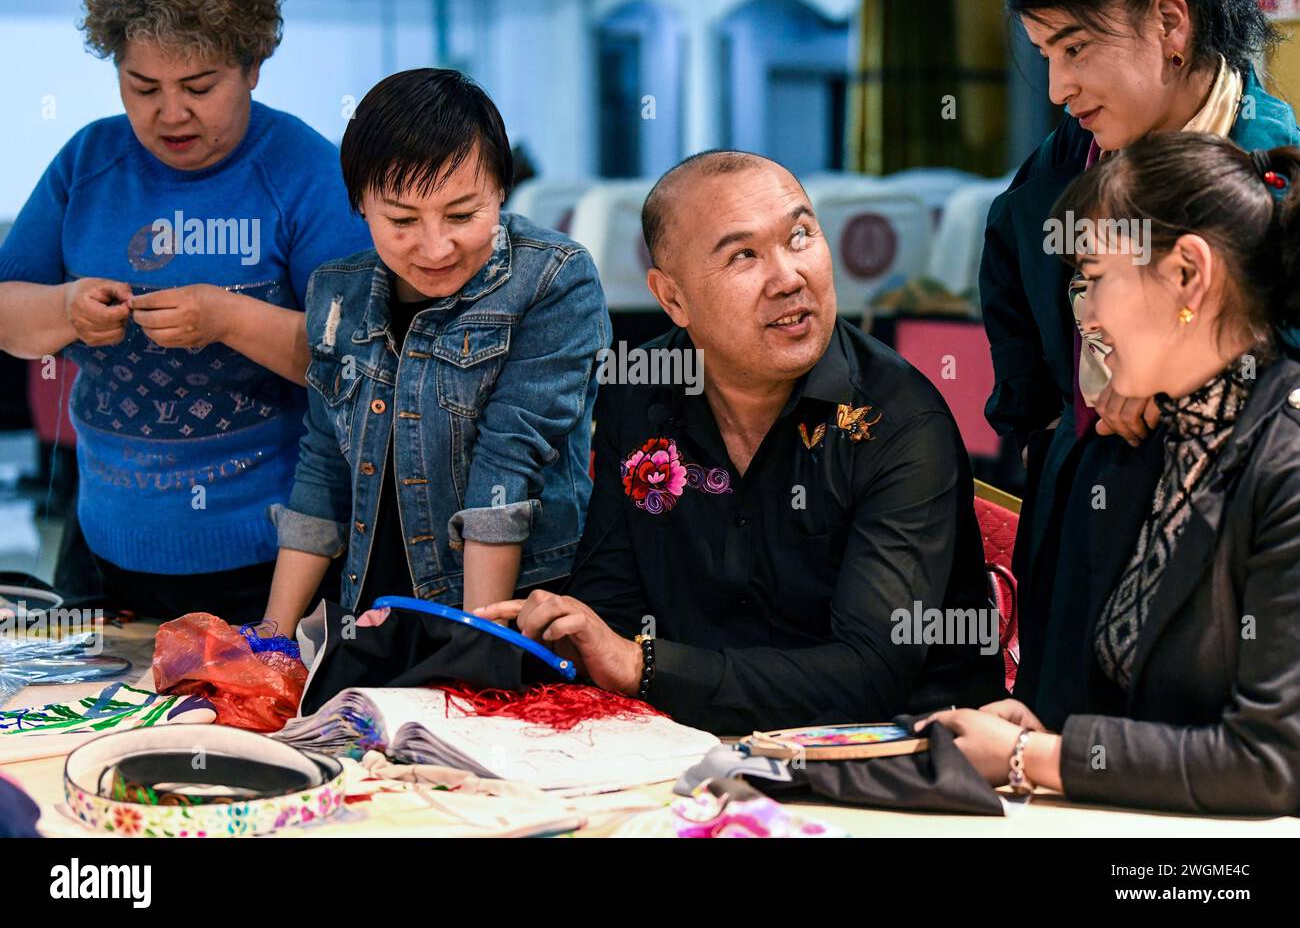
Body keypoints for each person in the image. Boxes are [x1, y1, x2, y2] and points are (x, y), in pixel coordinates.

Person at [478, 150, 1004, 735]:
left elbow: (871, 673)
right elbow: (613, 606)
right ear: (672, 298)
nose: (789, 278)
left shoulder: (897, 420)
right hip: (690, 744)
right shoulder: (641, 392)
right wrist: (564, 634)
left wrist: (641, 665)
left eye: (801, 235)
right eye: (744, 255)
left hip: (899, 760)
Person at [979, 0, 1300, 727]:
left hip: (1232, 535)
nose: (1057, 88)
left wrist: (1172, 380)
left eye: (1076, 48)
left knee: (1206, 766)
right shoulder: (1049, 179)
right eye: (1045, 55)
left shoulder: (1273, 174)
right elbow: (1024, 384)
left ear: (1169, 23)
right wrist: (1071, 419)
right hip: (1083, 519)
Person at [0, 0, 370, 624]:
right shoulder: (88, 162)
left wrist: (230, 319)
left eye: (199, 86)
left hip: (269, 556)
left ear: (252, 67)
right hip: (103, 545)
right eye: (142, 87)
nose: (170, 113)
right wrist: (66, 308)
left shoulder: (305, 171)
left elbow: (362, 360)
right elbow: (8, 314)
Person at [922, 134, 1300, 816]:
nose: (1085, 319)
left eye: (1094, 279)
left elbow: (1272, 762)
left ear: (1189, 275)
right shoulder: (1142, 445)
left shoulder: (1286, 462)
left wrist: (1032, 758)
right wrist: (1043, 736)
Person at [262, 69, 611, 631]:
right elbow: (324, 465)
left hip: (515, 605)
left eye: (462, 214)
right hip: (374, 609)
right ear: (359, 206)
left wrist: (476, 641)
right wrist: (271, 640)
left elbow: (508, 462)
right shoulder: (337, 291)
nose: (434, 246)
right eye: (400, 219)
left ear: (501, 189)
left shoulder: (551, 279)